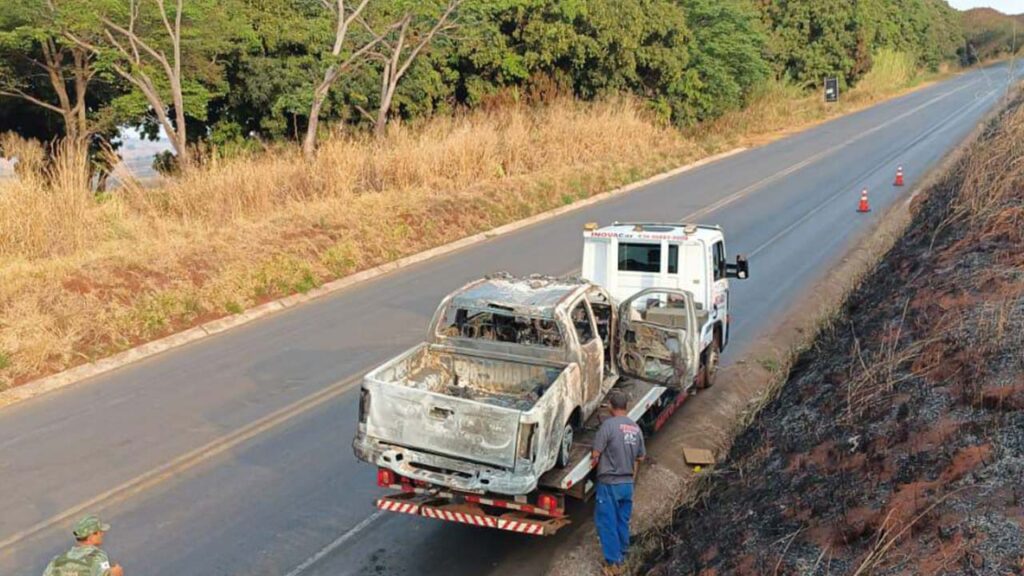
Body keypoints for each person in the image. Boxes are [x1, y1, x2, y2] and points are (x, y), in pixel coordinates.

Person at [591, 390, 645, 575]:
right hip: (627, 485)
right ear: (626, 407)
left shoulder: (608, 426)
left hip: (609, 485)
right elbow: (641, 457)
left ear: (611, 407)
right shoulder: (636, 428)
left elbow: (595, 455)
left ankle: (614, 564)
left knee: (607, 522)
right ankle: (623, 555)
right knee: (622, 520)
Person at [42, 515, 124, 576]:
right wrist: (115, 573)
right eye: (99, 532)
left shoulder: (57, 561)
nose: (102, 534)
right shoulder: (97, 556)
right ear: (91, 536)